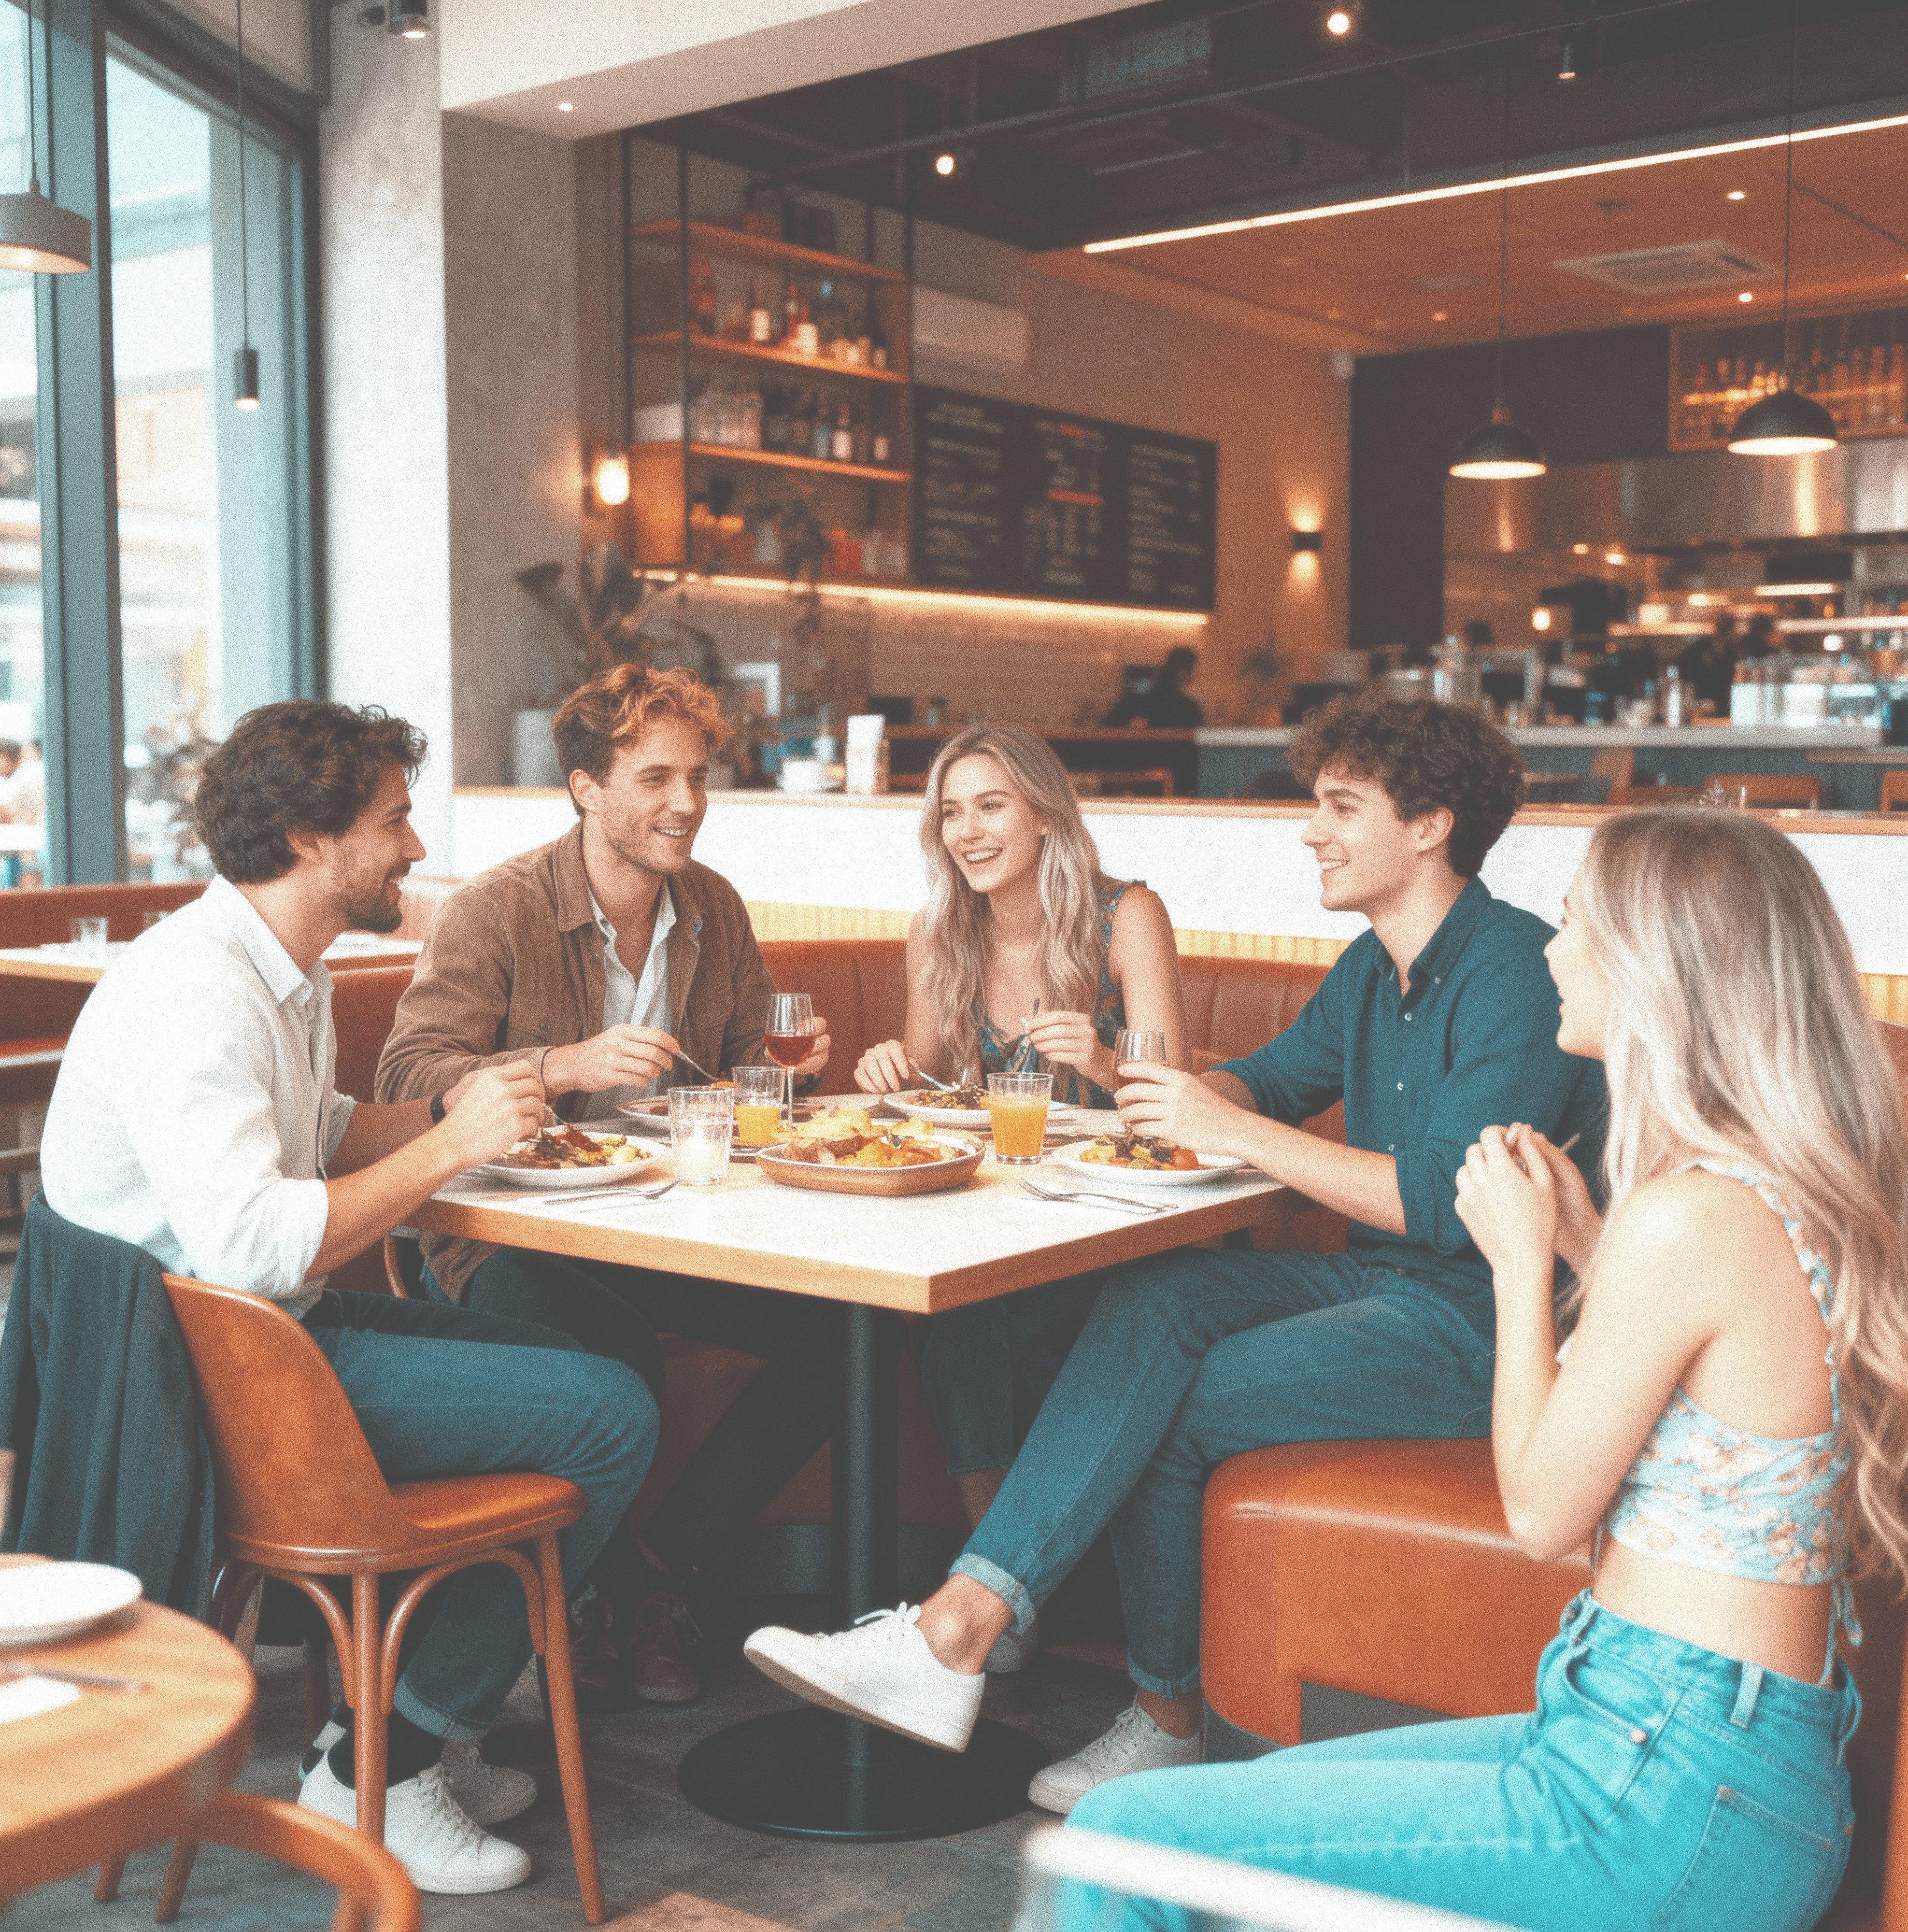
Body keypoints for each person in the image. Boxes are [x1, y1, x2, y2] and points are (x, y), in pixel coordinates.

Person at [1055, 807, 1908, 1932]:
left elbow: (1541, 1515)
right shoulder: (1753, 1193)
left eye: (1575, 926)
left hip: (1662, 1789)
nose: (1549, 951)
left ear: (1656, 968)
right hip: (1677, 1751)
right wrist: (1578, 1245)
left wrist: (1519, 1266)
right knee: (1182, 1825)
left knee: (1128, 1841)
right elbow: (1700, 1433)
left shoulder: (1689, 1219)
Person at [744, 689, 1608, 1810]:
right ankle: (961, 1630)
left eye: (1339, 806)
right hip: (1371, 1282)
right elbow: (1263, 1085)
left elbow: (1454, 1204)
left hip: (1481, 1321)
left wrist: (1225, 1127)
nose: (1309, 830)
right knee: (1157, 1301)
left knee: (1180, 1394)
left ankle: (1150, 1707)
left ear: (1430, 823)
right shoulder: (1368, 967)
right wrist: (1157, 1088)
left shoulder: (1511, 969)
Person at [37, 700, 658, 1895]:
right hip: (207, 1376)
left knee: (563, 1351)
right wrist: (447, 1149)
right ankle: (388, 1752)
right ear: (314, 840)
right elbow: (254, 1243)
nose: (415, 847)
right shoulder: (195, 993)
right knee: (609, 1413)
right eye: (394, 820)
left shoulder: (278, 968)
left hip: (260, 1336)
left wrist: (452, 1113)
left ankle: (411, 1725)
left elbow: (316, 1135)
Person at [376, 663, 841, 1709]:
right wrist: (558, 1064)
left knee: (846, 1334)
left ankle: (655, 1573)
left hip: (678, 1227)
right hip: (507, 1239)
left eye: (699, 775)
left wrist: (788, 1069)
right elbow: (404, 1081)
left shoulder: (712, 906)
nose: (687, 803)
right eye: (655, 778)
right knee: (615, 1355)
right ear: (586, 788)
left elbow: (733, 1074)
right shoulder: (494, 912)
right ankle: (570, 1600)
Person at [851, 724, 1191, 1644]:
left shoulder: (1128, 915)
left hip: (1122, 1226)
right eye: (952, 812)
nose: (969, 830)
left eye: (991, 805)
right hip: (1000, 1221)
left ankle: (990, 1602)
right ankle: (1000, 1602)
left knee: (975, 1319)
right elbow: (924, 1081)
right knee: (955, 1320)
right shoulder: (939, 930)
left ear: (1043, 813)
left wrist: (1111, 1059)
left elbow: (1177, 1096)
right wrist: (887, 1068)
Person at [1105, 648, 1204, 731]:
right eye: (1192, 669)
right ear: (1183, 671)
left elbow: (1108, 724)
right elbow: (1205, 732)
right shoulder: (1186, 705)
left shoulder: (1142, 697)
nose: (1194, 675)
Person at [1675, 608, 1739, 709]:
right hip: (1704, 699)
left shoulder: (1730, 649)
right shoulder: (1702, 647)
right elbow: (1684, 668)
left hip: (1721, 700)